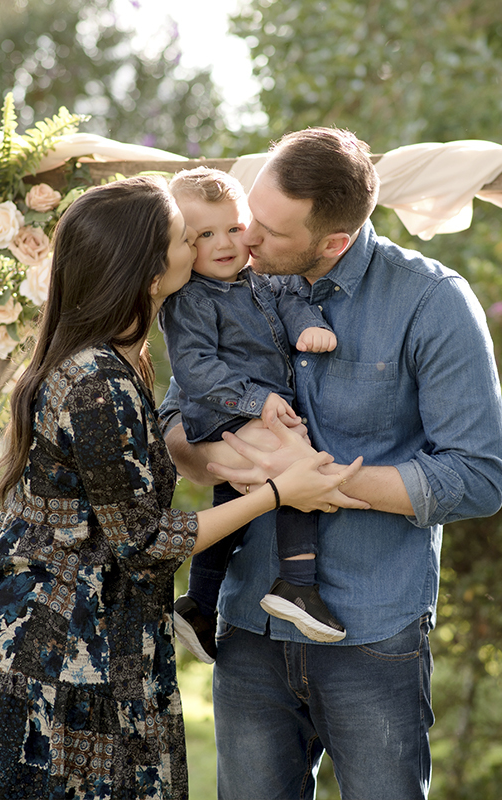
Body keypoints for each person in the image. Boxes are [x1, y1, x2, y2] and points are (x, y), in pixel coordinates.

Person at [0, 175, 366, 800]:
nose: (212, 245)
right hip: (59, 660)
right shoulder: (97, 381)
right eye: (187, 236)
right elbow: (146, 543)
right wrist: (280, 492)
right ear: (152, 273)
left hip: (91, 642)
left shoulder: (119, 359)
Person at [161, 129, 502, 799]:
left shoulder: (432, 303)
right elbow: (176, 422)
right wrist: (218, 460)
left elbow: (478, 476)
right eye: (245, 217)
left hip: (373, 632)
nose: (245, 240)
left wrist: (336, 488)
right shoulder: (229, 284)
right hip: (248, 630)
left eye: (266, 229)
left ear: (334, 243)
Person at [159, 167, 346, 664]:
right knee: (295, 465)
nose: (223, 243)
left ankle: (199, 601)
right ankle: (297, 582)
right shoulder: (189, 300)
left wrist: (310, 326)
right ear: (181, 243)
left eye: (233, 228)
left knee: (235, 494)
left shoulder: (261, 279)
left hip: (254, 410)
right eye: (204, 235)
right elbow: (195, 369)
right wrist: (253, 401)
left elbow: (292, 304)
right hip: (225, 409)